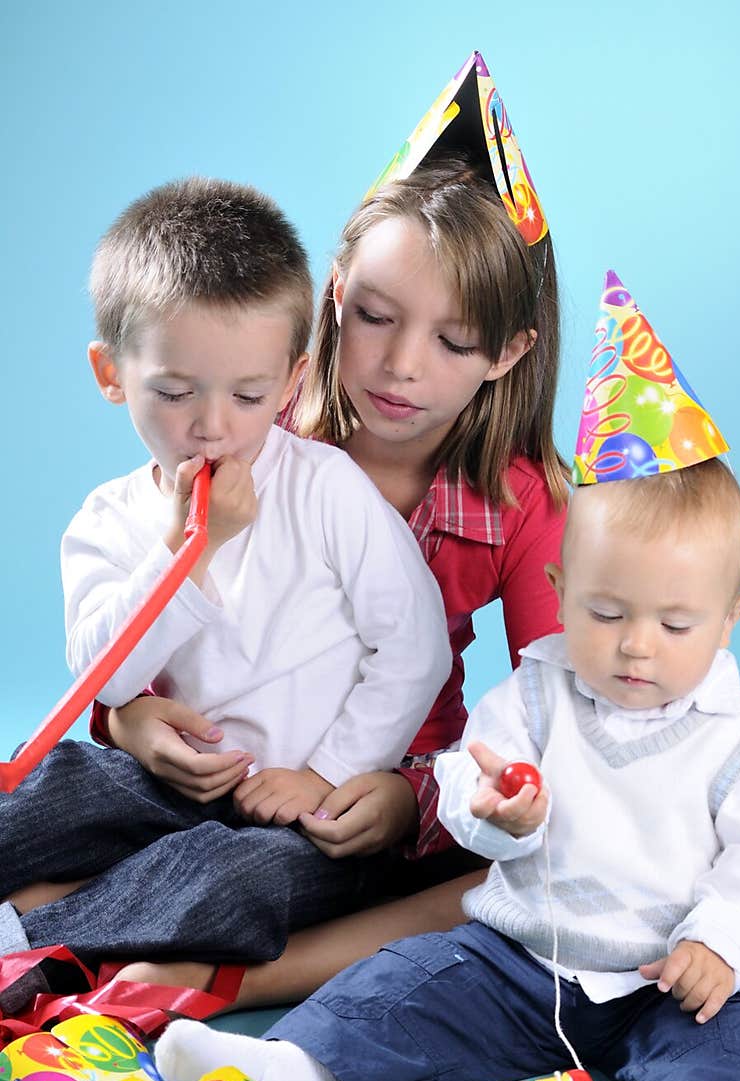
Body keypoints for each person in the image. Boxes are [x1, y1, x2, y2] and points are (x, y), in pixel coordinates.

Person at [153, 276, 740, 1081]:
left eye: (674, 625)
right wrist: (496, 816)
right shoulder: (538, 693)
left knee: (739, 1032)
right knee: (398, 984)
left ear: (732, 619)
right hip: (517, 961)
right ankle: (288, 1070)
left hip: (662, 975)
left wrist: (721, 941)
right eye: (606, 612)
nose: (636, 645)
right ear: (561, 591)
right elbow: (463, 780)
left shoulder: (737, 737)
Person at [71, 56, 570, 1008]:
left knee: (533, 885)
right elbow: (139, 611)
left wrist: (412, 800)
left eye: (454, 341)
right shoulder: (256, 416)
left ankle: (231, 973)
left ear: (508, 353)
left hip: (365, 807)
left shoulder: (520, 504)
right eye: (375, 316)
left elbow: (561, 724)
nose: (399, 365)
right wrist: (126, 721)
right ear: (334, 295)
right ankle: (96, 917)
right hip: (205, 768)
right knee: (72, 797)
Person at [0, 174, 453, 973]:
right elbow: (107, 679)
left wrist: (324, 774)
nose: (212, 427)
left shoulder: (326, 488)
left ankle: (24, 947)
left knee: (225, 882)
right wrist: (188, 548)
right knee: (53, 788)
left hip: (303, 824)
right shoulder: (105, 522)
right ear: (111, 376)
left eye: (249, 395)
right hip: (162, 786)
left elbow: (416, 649)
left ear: (291, 380)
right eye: (174, 393)